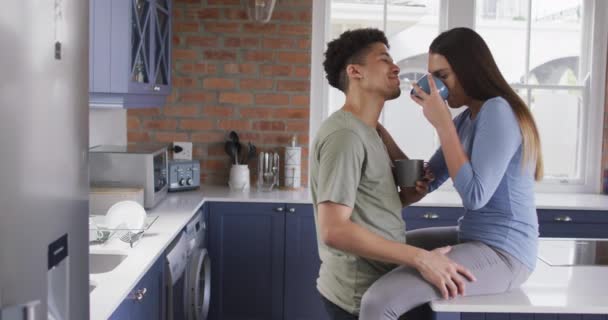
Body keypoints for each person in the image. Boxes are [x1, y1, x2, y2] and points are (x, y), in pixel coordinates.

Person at [359, 27, 544, 319]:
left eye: (442, 76)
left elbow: (475, 196)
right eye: (433, 77)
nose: (436, 86)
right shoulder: (467, 120)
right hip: (472, 237)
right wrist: (379, 132)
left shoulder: (497, 111)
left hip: (505, 253)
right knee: (388, 250)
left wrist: (442, 123)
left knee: (377, 303)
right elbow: (427, 178)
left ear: (469, 70)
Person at [310, 28, 475, 320]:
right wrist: (422, 259)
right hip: (362, 296)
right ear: (355, 72)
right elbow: (333, 230)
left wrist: (404, 196)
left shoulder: (368, 130)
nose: (396, 66)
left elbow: (365, 206)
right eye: (384, 59)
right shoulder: (346, 135)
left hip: (386, 282)